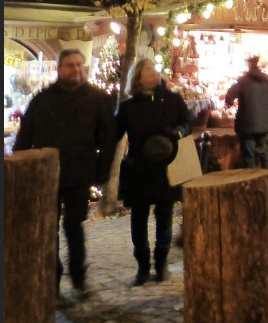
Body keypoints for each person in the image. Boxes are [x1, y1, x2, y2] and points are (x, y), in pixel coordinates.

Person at [14, 49, 117, 298]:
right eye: (70, 65)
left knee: (74, 226)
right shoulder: (43, 100)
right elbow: (25, 136)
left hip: (79, 173)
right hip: (46, 175)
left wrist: (101, 172)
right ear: (60, 70)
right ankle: (53, 281)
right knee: (48, 229)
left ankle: (79, 278)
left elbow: (109, 139)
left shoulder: (98, 98)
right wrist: (20, 168)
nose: (76, 70)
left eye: (80, 65)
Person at [115, 58, 191, 286]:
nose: (154, 72)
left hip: (166, 166)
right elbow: (114, 132)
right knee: (138, 218)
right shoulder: (128, 106)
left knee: (164, 215)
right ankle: (142, 267)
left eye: (155, 69)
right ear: (138, 76)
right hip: (139, 167)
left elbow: (188, 123)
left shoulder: (173, 100)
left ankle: (161, 263)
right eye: (148, 69)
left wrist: (178, 132)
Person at [224, 55, 268, 169]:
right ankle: (266, 182)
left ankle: (251, 184)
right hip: (264, 125)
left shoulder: (243, 81)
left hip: (246, 125)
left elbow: (230, 95)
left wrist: (229, 102)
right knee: (265, 157)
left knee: (249, 158)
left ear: (249, 66)